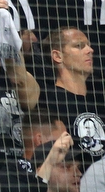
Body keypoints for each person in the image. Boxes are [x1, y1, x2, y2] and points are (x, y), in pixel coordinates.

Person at [43, 27, 105, 161]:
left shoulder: (100, 95)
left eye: (88, 45)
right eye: (79, 46)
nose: (90, 50)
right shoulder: (49, 101)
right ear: (58, 56)